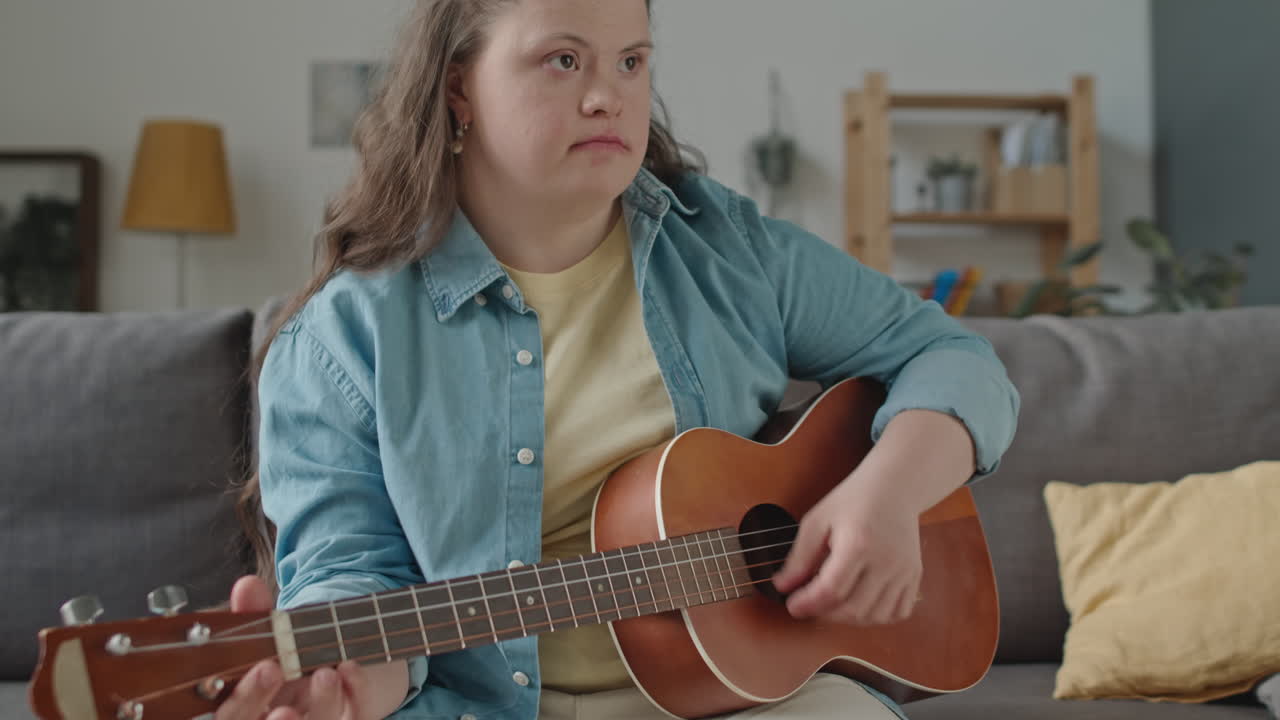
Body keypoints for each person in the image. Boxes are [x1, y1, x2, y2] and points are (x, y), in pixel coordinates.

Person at [219, 1, 1020, 719]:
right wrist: (350, 686)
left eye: (630, 61)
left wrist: (886, 494)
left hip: (749, 704)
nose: (608, 95)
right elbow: (353, 576)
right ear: (458, 88)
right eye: (563, 60)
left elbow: (953, 355)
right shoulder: (339, 342)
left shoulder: (729, 251)